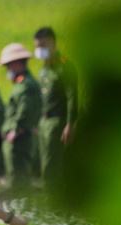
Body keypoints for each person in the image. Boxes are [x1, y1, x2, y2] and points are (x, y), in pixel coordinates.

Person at [33, 27, 79, 190]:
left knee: (51, 166)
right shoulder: (44, 68)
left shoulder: (65, 67)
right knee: (45, 163)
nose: (39, 50)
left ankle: (53, 206)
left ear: (53, 43)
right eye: (37, 46)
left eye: (42, 45)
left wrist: (70, 123)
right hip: (44, 121)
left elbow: (72, 96)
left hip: (57, 122)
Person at [0, 43, 42, 194]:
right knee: (20, 177)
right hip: (24, 137)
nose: (7, 70)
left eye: (8, 66)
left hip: (18, 139)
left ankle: (20, 212)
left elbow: (25, 110)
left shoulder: (24, 86)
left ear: (17, 64)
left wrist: (15, 130)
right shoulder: (28, 83)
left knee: (18, 180)